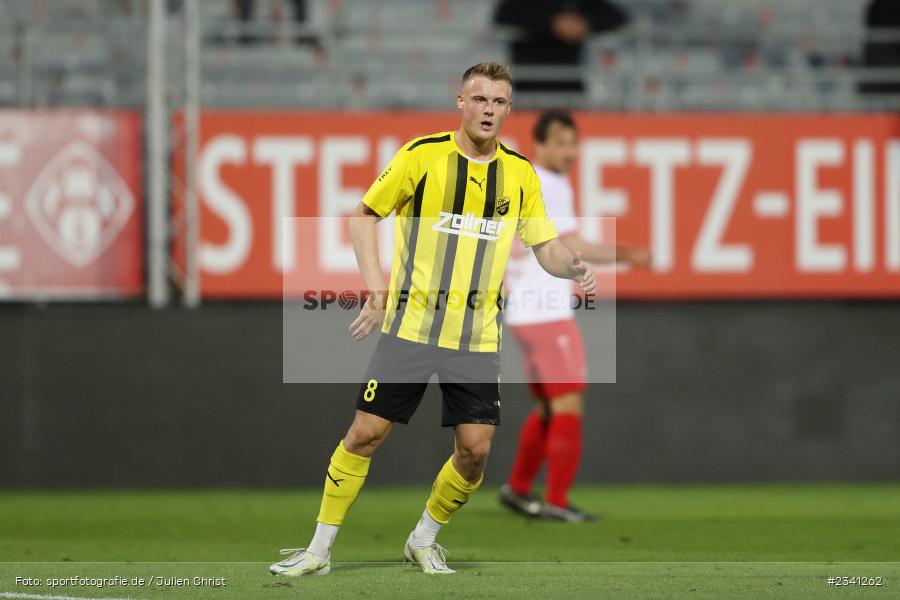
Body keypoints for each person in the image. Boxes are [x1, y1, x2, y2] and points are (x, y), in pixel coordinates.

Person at [269, 62, 596, 577]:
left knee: (475, 453)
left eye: (499, 102)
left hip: (476, 337)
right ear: (460, 103)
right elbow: (364, 217)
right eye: (480, 99)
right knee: (365, 433)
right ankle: (318, 550)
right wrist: (377, 291)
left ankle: (423, 539)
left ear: (509, 110)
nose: (489, 110)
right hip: (411, 328)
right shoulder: (422, 157)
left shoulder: (520, 174)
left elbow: (545, 246)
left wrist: (569, 266)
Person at [500, 109, 650, 522]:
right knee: (569, 404)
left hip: (522, 310)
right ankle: (558, 502)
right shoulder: (550, 184)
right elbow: (572, 245)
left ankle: (518, 488)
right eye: (561, 142)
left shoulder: (526, 178)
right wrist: (628, 254)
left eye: (573, 142)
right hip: (545, 309)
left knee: (550, 406)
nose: (570, 151)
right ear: (540, 145)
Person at [494, 0, 628, 97]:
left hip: (570, 86)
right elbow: (502, 16)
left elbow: (618, 18)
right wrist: (552, 25)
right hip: (529, 87)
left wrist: (586, 24)